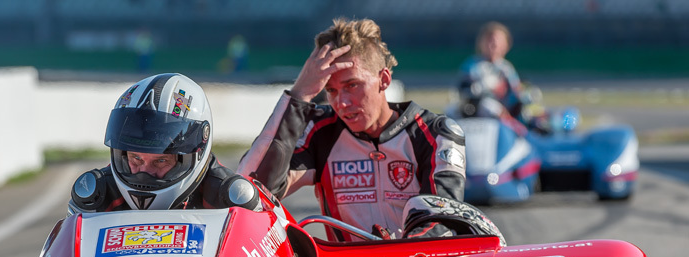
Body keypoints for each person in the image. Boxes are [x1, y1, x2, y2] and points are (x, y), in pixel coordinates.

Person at [237, 18, 500, 241]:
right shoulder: (321, 132)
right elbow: (250, 189)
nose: (341, 102)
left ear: (384, 79)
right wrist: (299, 95)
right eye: (331, 90)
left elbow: (445, 221)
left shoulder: (435, 133)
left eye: (352, 85)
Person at [68, 73, 259, 214]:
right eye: (136, 158)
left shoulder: (229, 198)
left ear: (195, 153)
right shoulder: (96, 196)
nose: (145, 174)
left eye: (160, 161)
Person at [457, 21, 548, 135]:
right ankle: (516, 128)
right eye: (489, 40)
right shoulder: (472, 66)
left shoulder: (506, 68)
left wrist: (525, 96)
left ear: (506, 44)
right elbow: (466, 91)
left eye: (498, 40)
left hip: (507, 110)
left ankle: (537, 131)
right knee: (489, 106)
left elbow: (515, 91)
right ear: (481, 43)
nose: (493, 44)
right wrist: (488, 87)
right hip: (481, 115)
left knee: (530, 108)